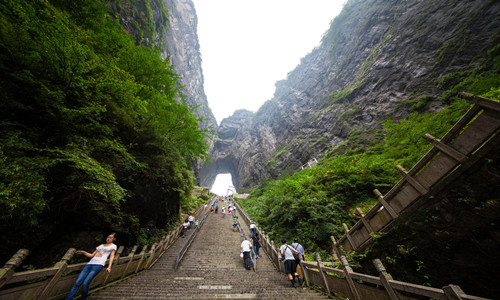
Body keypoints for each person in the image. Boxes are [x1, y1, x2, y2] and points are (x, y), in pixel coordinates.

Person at [65, 233, 117, 300]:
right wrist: (84, 252)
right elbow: (91, 255)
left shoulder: (113, 246)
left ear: (114, 239)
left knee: (85, 283)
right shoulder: (101, 246)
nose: (108, 238)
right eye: (108, 237)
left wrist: (109, 267)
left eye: (110, 237)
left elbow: (112, 256)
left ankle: (84, 298)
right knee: (78, 282)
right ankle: (69, 298)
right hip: (89, 264)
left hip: (98, 265)